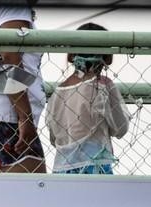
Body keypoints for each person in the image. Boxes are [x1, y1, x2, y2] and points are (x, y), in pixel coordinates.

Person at [0, 5, 48, 173]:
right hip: (8, 117)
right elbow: (8, 57)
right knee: (31, 192)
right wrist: (25, 117)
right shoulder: (14, 6)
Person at [43, 23, 130, 174]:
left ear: (71, 55)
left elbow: (53, 137)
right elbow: (120, 128)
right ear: (108, 57)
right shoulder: (103, 86)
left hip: (62, 168)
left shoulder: (58, 92)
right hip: (95, 165)